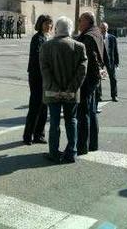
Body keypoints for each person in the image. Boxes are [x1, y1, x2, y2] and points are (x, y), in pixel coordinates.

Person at [39, 16, 88, 164]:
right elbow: (82, 70)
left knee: (54, 123)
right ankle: (71, 153)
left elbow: (44, 70)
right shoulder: (79, 46)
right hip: (71, 92)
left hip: (52, 91)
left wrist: (54, 87)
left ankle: (53, 152)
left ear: (56, 29)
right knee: (71, 121)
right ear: (70, 29)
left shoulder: (46, 46)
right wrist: (71, 87)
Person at [22, 14, 53, 145]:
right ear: (40, 24)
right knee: (35, 106)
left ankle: (39, 135)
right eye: (46, 23)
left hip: (45, 76)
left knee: (44, 106)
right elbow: (38, 57)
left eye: (50, 23)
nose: (49, 26)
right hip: (36, 76)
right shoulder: (38, 38)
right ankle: (28, 135)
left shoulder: (48, 38)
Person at [76, 12, 103, 154]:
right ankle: (93, 144)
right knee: (91, 112)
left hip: (87, 79)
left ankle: (82, 146)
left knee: (84, 113)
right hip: (94, 78)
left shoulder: (88, 36)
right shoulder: (96, 32)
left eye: (80, 20)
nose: (78, 22)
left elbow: (89, 59)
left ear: (87, 21)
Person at [100, 22, 119, 102]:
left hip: (110, 60)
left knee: (113, 78)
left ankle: (114, 95)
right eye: (102, 28)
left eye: (104, 28)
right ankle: (99, 96)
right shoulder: (98, 37)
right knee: (98, 79)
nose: (103, 29)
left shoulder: (112, 38)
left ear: (107, 28)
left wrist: (116, 62)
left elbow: (115, 51)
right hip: (100, 60)